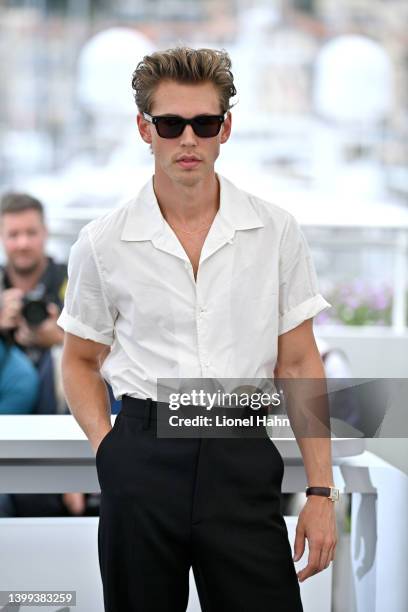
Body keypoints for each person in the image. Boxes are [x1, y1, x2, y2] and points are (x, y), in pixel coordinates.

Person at [58, 47, 338, 612]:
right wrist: (108, 449)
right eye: (170, 124)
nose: (188, 139)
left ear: (225, 128)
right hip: (142, 458)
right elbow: (79, 360)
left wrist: (320, 491)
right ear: (145, 128)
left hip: (241, 456)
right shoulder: (101, 242)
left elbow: (300, 364)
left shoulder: (276, 231)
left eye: (204, 123)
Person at [0, 192, 86, 517]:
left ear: (45, 233)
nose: (22, 243)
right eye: (13, 234)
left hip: (63, 412)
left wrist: (59, 337)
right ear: (2, 237)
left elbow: (106, 346)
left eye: (30, 233)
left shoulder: (73, 281)